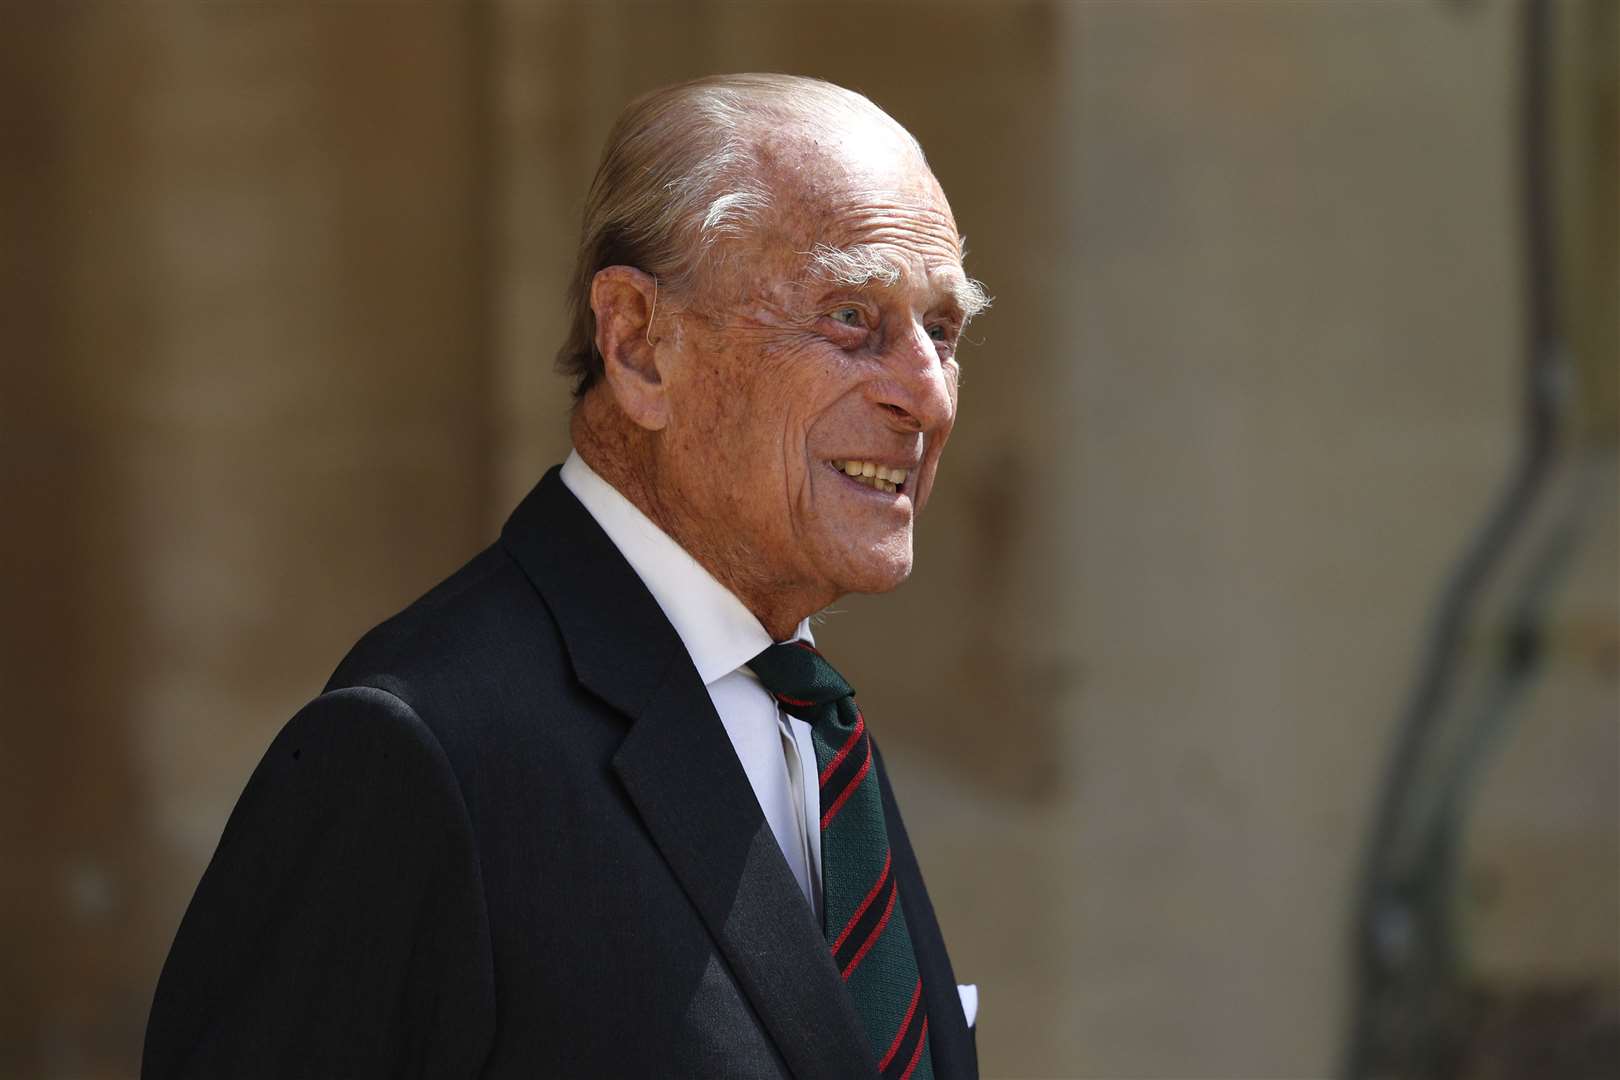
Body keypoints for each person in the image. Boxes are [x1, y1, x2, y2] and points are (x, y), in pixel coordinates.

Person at [143, 72, 989, 1080]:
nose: (928, 397)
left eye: (943, 330)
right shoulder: (415, 753)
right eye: (853, 316)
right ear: (637, 344)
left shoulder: (815, 726)